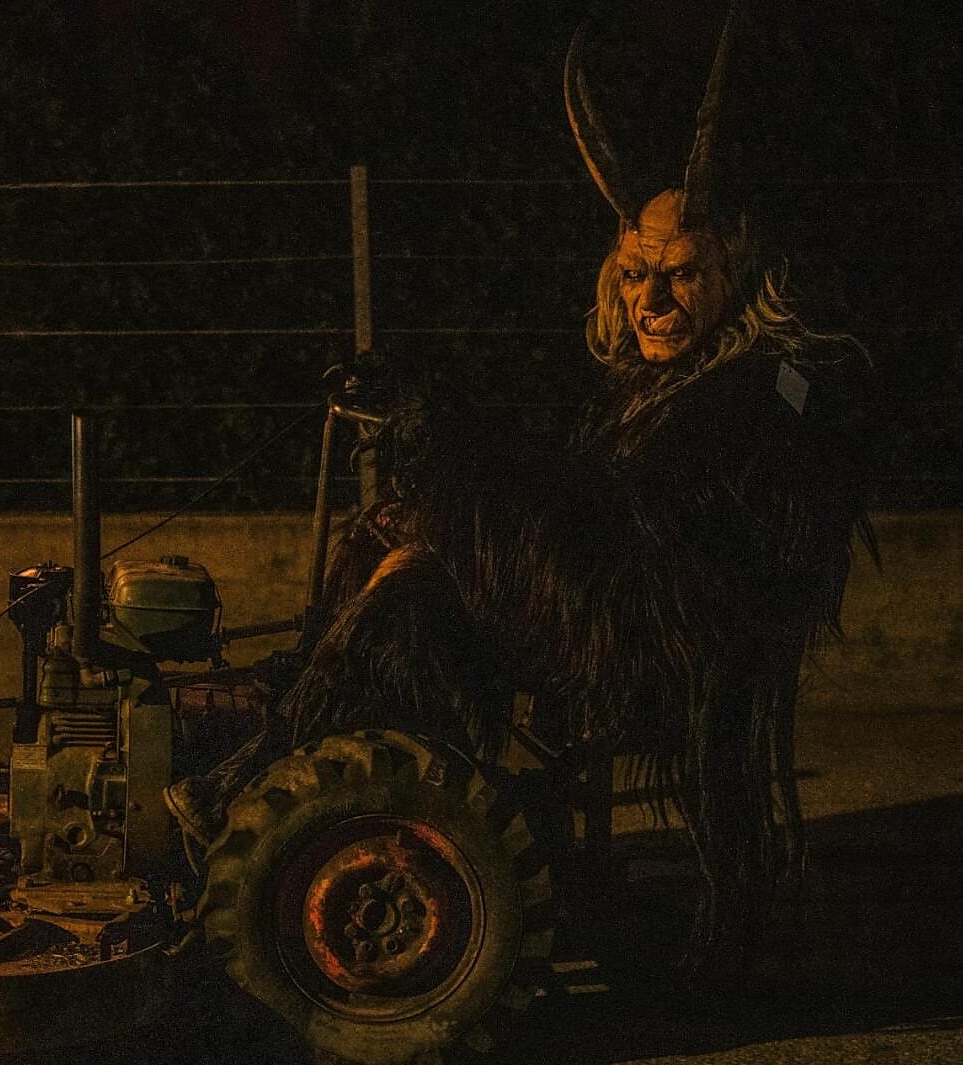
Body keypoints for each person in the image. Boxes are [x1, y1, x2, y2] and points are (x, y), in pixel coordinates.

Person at [170, 1, 873, 975]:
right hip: (616, 614)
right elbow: (586, 498)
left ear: (738, 273)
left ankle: (265, 794)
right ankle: (291, 747)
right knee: (399, 538)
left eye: (679, 275)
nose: (649, 301)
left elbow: (626, 545)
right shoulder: (679, 385)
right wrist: (441, 463)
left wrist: (449, 453)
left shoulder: (754, 396)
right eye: (633, 274)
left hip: (648, 648)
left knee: (419, 584)